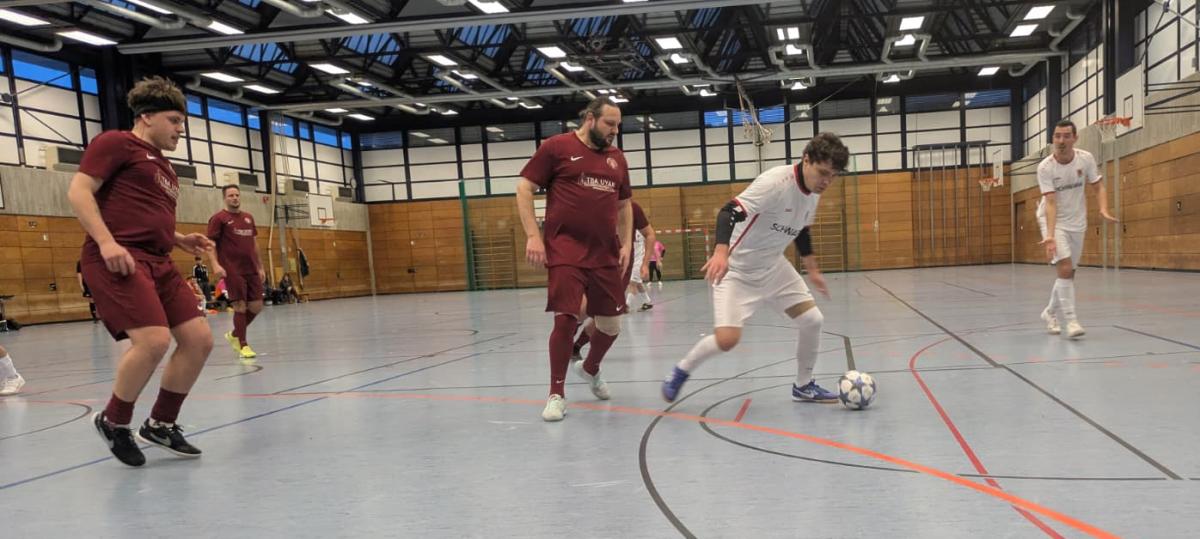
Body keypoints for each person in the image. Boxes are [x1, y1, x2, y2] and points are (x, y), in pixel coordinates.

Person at [69, 76, 223, 467]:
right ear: (147, 116)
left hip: (159, 260)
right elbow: (79, 191)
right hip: (120, 258)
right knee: (153, 341)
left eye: (182, 123)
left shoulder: (165, 167)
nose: (179, 130)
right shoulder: (116, 143)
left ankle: (160, 423)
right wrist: (106, 242)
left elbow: (144, 215)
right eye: (174, 120)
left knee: (199, 339)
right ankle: (114, 421)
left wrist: (178, 239)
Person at [662, 132, 850, 403]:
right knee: (727, 340)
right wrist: (721, 251)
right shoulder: (774, 183)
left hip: (773, 267)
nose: (826, 182)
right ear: (805, 159)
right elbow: (728, 212)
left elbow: (801, 230)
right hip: (736, 270)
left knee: (812, 320)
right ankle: (680, 371)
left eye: (833, 176)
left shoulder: (813, 191)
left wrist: (813, 269)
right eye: (822, 173)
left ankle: (803, 385)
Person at [516, 97, 632, 422]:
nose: (615, 131)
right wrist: (533, 235)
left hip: (605, 253)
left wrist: (624, 245)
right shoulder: (557, 147)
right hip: (565, 249)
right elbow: (524, 188)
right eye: (610, 124)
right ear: (591, 119)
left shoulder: (616, 159)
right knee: (566, 317)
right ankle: (556, 394)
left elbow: (624, 206)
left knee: (610, 326)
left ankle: (590, 367)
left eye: (618, 125)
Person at [1036, 120, 1117, 339]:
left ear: (1074, 138)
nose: (1061, 141)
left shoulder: (1085, 159)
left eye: (1065, 136)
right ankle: (1071, 321)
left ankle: (1050, 313)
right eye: (1057, 136)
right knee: (1064, 267)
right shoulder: (1045, 168)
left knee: (1069, 273)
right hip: (1052, 220)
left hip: (1077, 221)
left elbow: (1098, 186)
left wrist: (1103, 209)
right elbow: (1051, 203)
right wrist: (1050, 236)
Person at [572, 200, 654, 358]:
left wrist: (645, 263)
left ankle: (576, 347)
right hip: (594, 264)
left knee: (606, 315)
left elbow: (650, 234)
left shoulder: (632, 208)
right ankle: (570, 331)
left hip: (620, 271)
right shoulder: (593, 204)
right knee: (584, 308)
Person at [208, 184, 264, 362]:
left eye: (237, 195)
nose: (234, 198)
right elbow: (211, 244)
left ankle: (234, 334)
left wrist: (260, 267)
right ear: (225, 198)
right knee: (240, 305)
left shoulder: (248, 217)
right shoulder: (219, 218)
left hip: (251, 268)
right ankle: (243, 344)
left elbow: (254, 244)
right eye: (231, 195)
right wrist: (215, 264)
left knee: (256, 306)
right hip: (232, 268)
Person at [627, 203, 657, 311]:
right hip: (631, 260)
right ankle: (647, 302)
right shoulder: (628, 230)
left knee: (632, 284)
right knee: (638, 283)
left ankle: (627, 306)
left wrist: (654, 260)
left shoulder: (641, 231)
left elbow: (651, 242)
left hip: (639, 261)